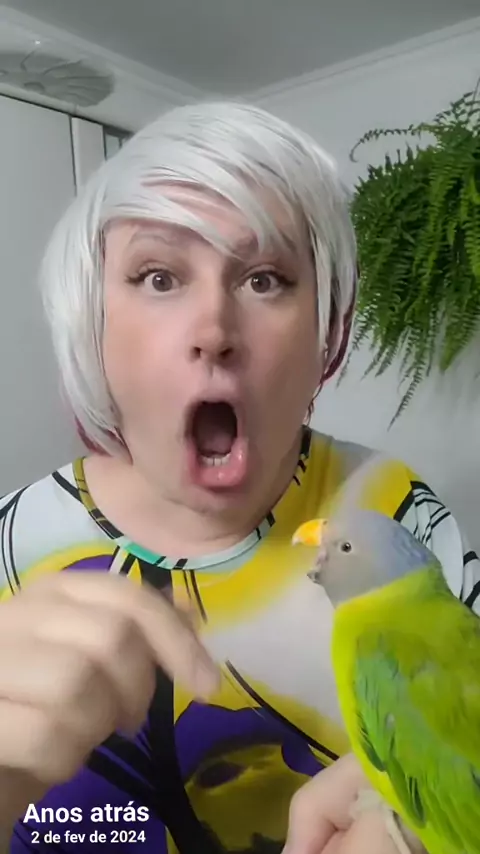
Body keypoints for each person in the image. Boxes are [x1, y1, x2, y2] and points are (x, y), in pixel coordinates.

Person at [0, 101, 478, 854]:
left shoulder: (394, 512)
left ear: (327, 329)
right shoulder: (13, 544)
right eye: (159, 277)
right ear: (91, 325)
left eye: (264, 279)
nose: (214, 332)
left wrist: (413, 835)